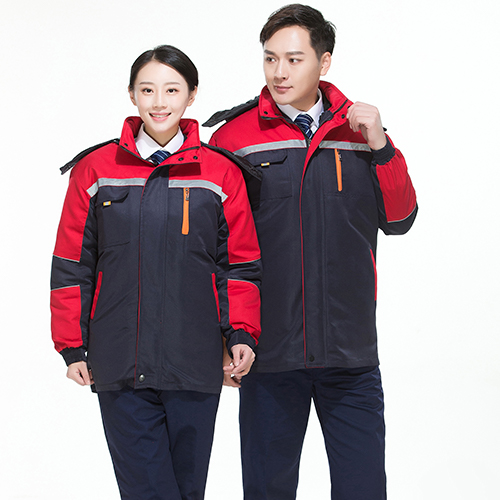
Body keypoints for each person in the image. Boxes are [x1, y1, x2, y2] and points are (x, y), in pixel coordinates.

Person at [204, 4, 417, 499]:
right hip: (268, 353)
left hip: (350, 353)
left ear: (324, 62)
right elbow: (216, 251)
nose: (279, 72)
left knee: (364, 489)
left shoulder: (361, 133)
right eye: (270, 58)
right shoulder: (234, 139)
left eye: (294, 59)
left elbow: (401, 218)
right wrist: (223, 335)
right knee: (267, 490)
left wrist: (382, 146)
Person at [50, 44, 262, 500]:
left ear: (192, 95)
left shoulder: (221, 173)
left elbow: (239, 265)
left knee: (187, 491)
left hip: (195, 361)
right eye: (147, 90)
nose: (159, 102)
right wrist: (71, 345)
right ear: (132, 95)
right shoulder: (95, 169)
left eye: (172, 90)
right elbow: (71, 263)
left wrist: (241, 333)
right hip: (119, 362)